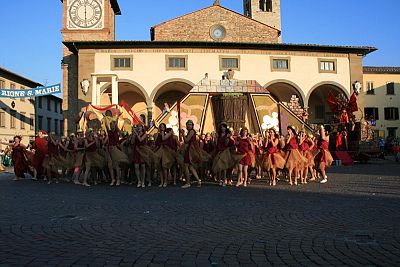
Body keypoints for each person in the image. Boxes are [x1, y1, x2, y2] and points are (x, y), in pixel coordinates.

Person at [180, 120, 210, 188]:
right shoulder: (191, 131)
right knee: (190, 166)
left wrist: (183, 134)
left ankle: (188, 182)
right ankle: (198, 180)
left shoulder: (192, 131)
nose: (189, 126)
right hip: (189, 149)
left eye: (190, 124)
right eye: (188, 124)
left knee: (186, 165)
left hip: (190, 150)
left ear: (192, 125)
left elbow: (186, 140)